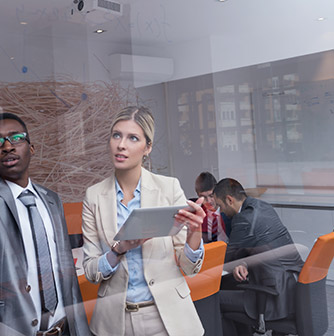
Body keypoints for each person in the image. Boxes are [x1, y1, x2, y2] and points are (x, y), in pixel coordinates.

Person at [0, 60, 90, 336]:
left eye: (16, 138)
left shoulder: (51, 200)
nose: (8, 146)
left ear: (31, 148)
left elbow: (66, 277)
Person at [82, 106, 206, 336]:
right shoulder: (93, 197)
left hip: (167, 319)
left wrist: (194, 234)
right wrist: (119, 250)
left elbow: (189, 268)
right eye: (116, 135)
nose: (121, 144)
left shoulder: (168, 188)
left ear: (147, 147)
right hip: (115, 323)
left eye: (133, 138)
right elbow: (90, 271)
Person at [213, 178, 304, 335]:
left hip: (274, 295)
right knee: (232, 283)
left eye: (220, 206)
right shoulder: (262, 207)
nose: (220, 211)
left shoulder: (243, 219)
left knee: (213, 301)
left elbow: (225, 260)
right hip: (293, 288)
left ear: (229, 200)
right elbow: (262, 244)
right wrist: (243, 263)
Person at [195, 172, 229, 243]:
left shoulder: (228, 211)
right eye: (203, 197)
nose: (208, 201)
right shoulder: (198, 214)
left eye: (211, 195)